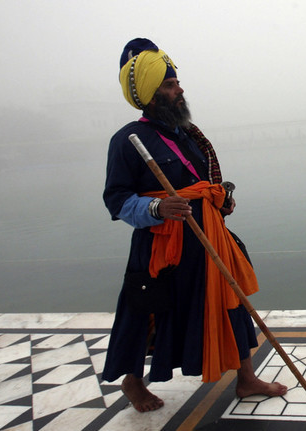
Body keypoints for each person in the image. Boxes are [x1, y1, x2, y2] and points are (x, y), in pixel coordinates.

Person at [101, 38, 287, 412]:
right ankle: (133, 383)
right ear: (153, 95)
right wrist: (156, 207)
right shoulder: (127, 141)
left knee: (231, 302)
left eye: (177, 82)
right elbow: (116, 199)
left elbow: (203, 184)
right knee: (149, 312)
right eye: (170, 85)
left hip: (208, 237)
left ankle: (246, 379)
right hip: (162, 245)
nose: (180, 89)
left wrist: (220, 200)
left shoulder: (188, 135)